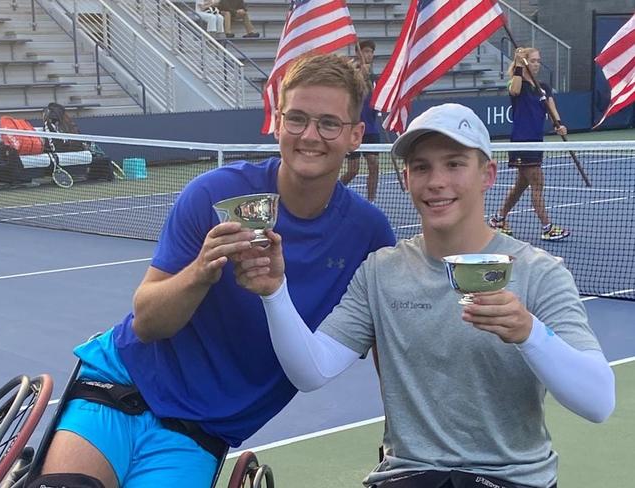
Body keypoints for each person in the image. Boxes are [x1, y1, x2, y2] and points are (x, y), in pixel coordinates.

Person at [30, 54, 395, 488]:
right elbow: (147, 323)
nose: (309, 135)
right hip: (119, 386)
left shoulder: (369, 235)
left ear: (355, 135)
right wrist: (203, 270)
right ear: (277, 123)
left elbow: (387, 350)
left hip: (197, 434)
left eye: (328, 123)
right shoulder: (214, 193)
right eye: (296, 118)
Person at [235, 103, 615, 488]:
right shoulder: (380, 271)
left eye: (454, 164)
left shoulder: (540, 273)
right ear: (406, 179)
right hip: (408, 475)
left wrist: (528, 332)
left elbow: (599, 402)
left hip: (512, 480)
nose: (436, 181)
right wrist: (274, 292)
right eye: (421, 167)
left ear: (488, 175)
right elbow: (311, 371)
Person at [489, 47, 570, 241]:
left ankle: (498, 219)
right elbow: (514, 90)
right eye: (533, 60)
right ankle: (547, 227)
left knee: (521, 184)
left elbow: (551, 107)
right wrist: (517, 65)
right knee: (537, 183)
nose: (537, 64)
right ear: (525, 63)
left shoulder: (543, 87)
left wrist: (558, 124)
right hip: (522, 142)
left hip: (536, 141)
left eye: (538, 61)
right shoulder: (517, 83)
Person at [341, 40, 381, 202]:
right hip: (355, 128)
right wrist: (361, 76)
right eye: (365, 51)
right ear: (359, 53)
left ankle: (371, 201)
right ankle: (331, 192)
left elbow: (377, 102)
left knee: (374, 165)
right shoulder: (352, 75)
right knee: (353, 170)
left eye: (371, 52)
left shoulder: (374, 78)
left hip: (371, 129)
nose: (369, 55)